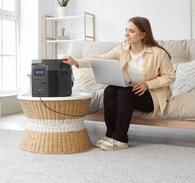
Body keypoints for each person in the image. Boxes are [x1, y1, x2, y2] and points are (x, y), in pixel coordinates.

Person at [62, 17, 175, 151]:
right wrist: (77, 62)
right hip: (131, 91)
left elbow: (170, 77)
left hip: (150, 95)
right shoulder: (123, 49)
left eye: (131, 31)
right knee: (109, 90)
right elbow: (102, 59)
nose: (126, 34)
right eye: (126, 30)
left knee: (123, 92)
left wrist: (147, 84)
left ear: (143, 34)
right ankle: (111, 134)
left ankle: (121, 138)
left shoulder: (158, 53)